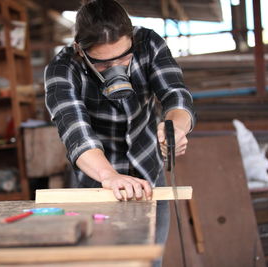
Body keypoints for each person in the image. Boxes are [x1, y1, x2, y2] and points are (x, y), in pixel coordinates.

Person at [44, 0, 196, 264]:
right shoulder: (62, 69)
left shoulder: (148, 43)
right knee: (103, 260)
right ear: (81, 50)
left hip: (149, 170)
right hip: (97, 178)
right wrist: (109, 176)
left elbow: (176, 95)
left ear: (132, 40)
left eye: (124, 58)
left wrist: (176, 128)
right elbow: (74, 130)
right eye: (103, 64)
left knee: (150, 259)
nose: (117, 68)